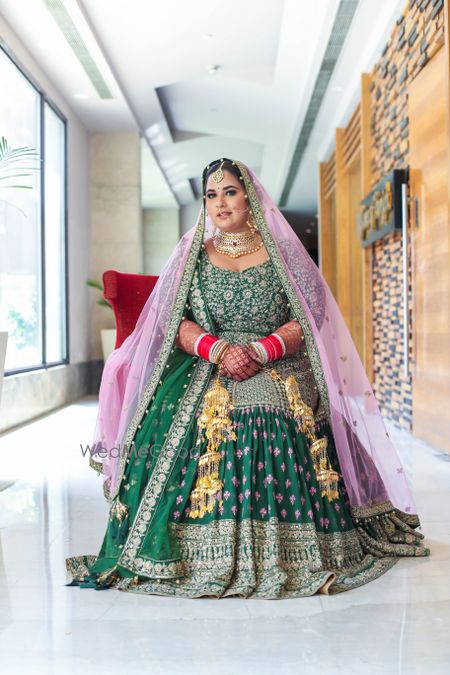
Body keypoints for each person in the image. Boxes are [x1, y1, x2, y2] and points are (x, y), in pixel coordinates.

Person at [66, 158, 429, 598]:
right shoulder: (191, 258)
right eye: (211, 195)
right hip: (206, 362)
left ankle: (284, 549)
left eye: (230, 191)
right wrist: (217, 349)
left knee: (271, 414)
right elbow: (172, 321)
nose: (220, 203)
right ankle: (184, 550)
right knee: (180, 420)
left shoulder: (285, 255)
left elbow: (308, 317)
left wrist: (260, 349)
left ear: (249, 196)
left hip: (277, 360)